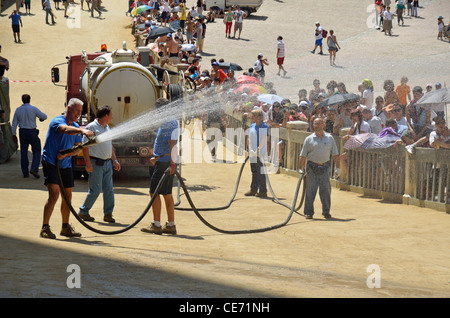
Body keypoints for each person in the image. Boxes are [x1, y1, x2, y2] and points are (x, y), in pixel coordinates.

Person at [40, 98, 95, 239]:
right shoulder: (58, 122)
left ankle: (65, 227)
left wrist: (66, 154)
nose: (78, 114)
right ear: (69, 109)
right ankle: (45, 227)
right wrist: (81, 131)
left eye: (80, 112)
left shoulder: (75, 126)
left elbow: (77, 149)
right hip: (51, 163)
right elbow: (65, 130)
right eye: (76, 111)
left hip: (65, 164)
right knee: (54, 194)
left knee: (68, 196)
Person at [141, 98, 179, 235]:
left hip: (165, 163)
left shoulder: (168, 122)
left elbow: (172, 143)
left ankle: (156, 224)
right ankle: (170, 225)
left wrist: (171, 163)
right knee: (167, 194)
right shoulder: (171, 120)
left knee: (154, 192)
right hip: (164, 160)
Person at [78, 105, 121, 223]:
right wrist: (88, 164)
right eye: (110, 115)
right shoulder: (91, 127)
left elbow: (110, 146)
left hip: (107, 164)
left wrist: (115, 160)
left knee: (109, 190)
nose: (111, 118)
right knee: (95, 190)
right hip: (95, 163)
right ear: (105, 116)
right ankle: (83, 211)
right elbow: (85, 147)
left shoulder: (107, 128)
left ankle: (108, 214)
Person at [299, 117, 340, 219]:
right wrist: (300, 168)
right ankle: (308, 212)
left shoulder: (330, 138)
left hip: (325, 167)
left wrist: (338, 168)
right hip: (311, 168)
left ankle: (326, 211)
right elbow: (302, 155)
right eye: (315, 124)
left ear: (323, 125)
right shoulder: (309, 139)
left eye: (319, 124)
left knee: (325, 191)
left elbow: (335, 154)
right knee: (310, 191)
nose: (316, 126)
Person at [11, 94, 48, 178]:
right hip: (32, 131)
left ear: (22, 100)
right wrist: (40, 119)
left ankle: (25, 173)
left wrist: (13, 134)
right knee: (37, 150)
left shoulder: (18, 110)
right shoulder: (33, 109)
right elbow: (44, 116)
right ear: (29, 100)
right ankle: (34, 168)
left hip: (22, 132)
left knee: (23, 152)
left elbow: (14, 124)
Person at [245, 109, 269, 198]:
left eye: (254, 116)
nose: (253, 117)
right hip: (252, 152)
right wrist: (250, 147)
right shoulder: (252, 126)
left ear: (259, 117)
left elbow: (264, 138)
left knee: (260, 172)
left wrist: (259, 148)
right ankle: (253, 189)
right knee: (254, 171)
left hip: (260, 153)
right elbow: (249, 138)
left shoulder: (264, 126)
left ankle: (263, 191)